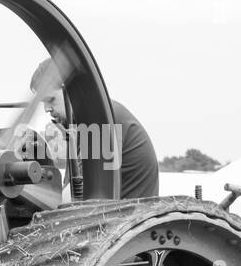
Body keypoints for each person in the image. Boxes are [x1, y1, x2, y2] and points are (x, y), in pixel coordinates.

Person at [30, 59, 159, 198]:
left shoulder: (101, 119)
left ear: (73, 89)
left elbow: (74, 198)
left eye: (50, 100)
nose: (46, 109)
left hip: (126, 217)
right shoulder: (82, 126)